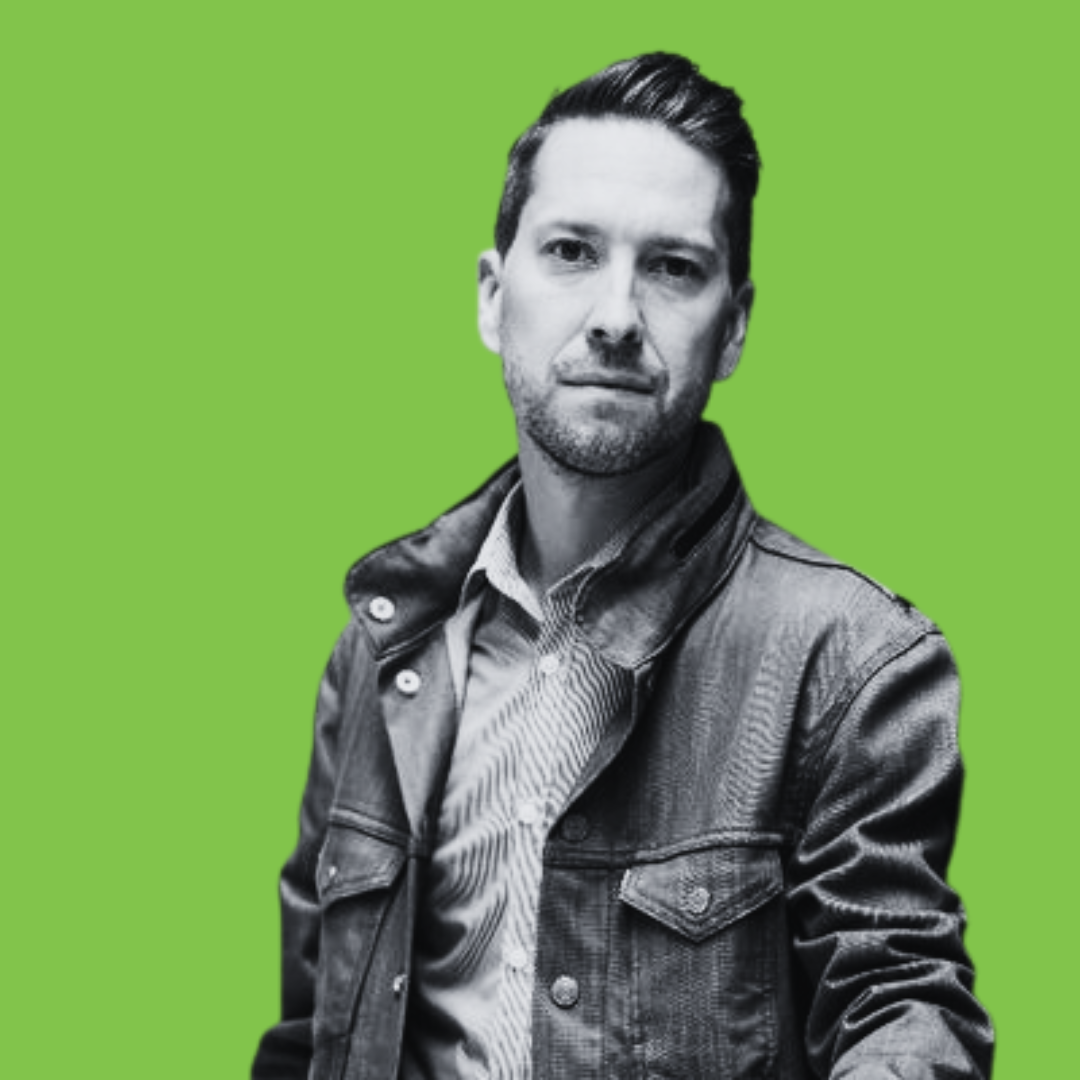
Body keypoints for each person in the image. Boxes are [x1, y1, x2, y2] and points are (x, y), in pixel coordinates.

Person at [252, 52, 994, 1080]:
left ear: (733, 328)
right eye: (571, 251)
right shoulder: (387, 649)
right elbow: (312, 1034)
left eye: (673, 267)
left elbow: (901, 1006)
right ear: (491, 296)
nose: (614, 315)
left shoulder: (853, 663)